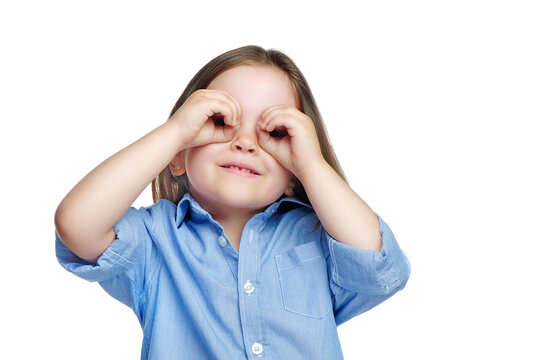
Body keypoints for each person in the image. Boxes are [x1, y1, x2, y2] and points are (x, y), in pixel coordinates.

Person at [55, 45, 410, 360]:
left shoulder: (320, 237)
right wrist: (176, 132)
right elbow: (77, 225)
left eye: (274, 132)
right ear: (177, 158)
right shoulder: (155, 241)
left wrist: (312, 166)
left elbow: (379, 267)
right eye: (220, 121)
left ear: (292, 176)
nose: (245, 143)